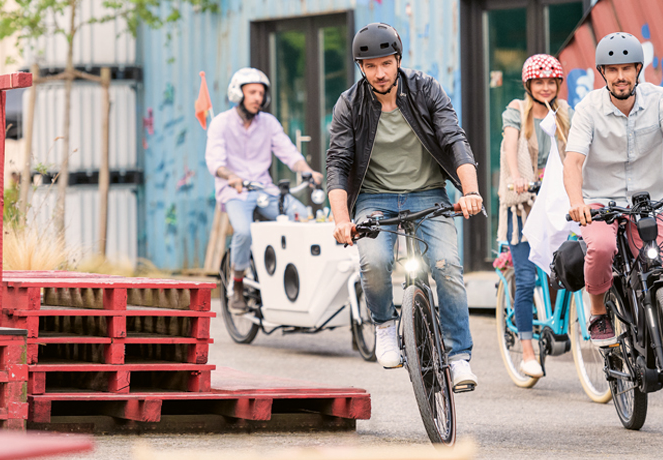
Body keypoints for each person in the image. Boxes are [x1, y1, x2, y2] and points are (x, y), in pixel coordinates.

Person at [326, 23, 483, 389]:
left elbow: (453, 137)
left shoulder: (426, 89)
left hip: (428, 193)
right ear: (360, 68)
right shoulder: (349, 104)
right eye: (370, 66)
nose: (379, 73)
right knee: (375, 260)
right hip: (374, 197)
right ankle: (383, 325)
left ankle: (459, 357)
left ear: (398, 59)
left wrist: (470, 191)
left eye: (386, 63)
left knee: (446, 266)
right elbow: (338, 162)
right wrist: (341, 219)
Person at [563, 32, 663, 346]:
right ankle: (598, 312)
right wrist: (577, 201)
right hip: (600, 205)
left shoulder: (657, 98)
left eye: (627, 68)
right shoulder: (588, 108)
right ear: (602, 73)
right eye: (613, 69)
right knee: (602, 248)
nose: (621, 76)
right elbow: (574, 161)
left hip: (646, 205)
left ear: (637, 70)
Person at [206, 67, 323, 313]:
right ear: (237, 94)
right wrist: (232, 177)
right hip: (235, 192)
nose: (258, 97)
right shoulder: (220, 123)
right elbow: (215, 162)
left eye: (261, 93)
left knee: (302, 218)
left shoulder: (268, 123)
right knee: (243, 232)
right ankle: (236, 283)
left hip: (264, 190)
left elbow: (289, 152)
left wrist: (307, 170)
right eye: (252, 92)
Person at [497, 54, 572, 378]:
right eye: (539, 82)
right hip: (524, 203)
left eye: (551, 82)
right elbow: (512, 146)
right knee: (526, 279)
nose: (545, 87)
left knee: (574, 266)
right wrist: (516, 176)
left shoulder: (564, 112)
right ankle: (527, 349)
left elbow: (577, 149)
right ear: (528, 85)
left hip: (556, 203)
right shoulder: (517, 110)